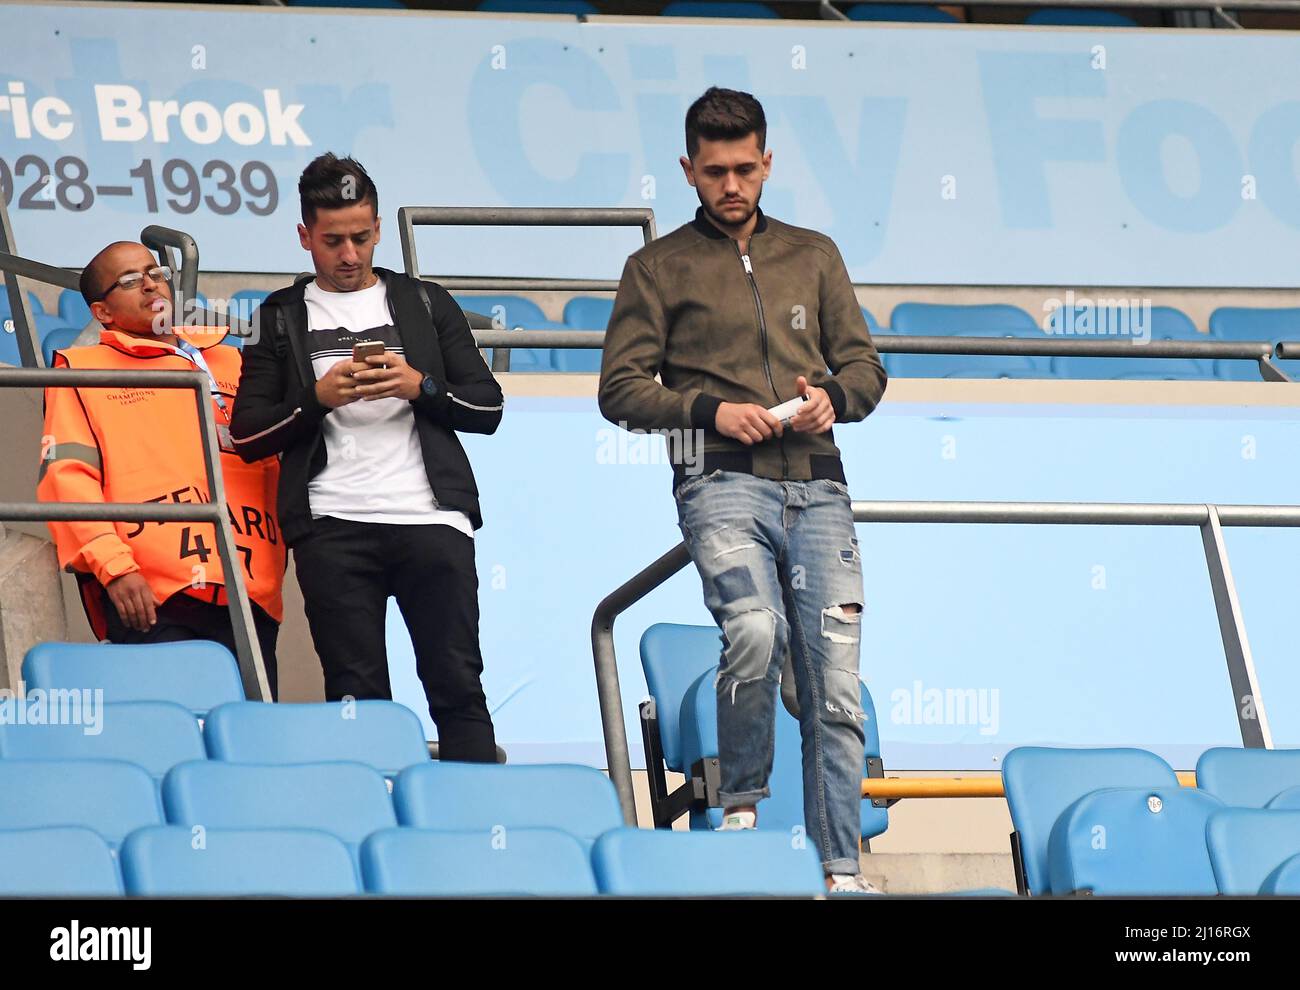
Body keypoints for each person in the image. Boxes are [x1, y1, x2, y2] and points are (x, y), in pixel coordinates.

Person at [598, 87, 888, 891]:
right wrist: (712, 411)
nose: (733, 185)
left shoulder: (816, 252)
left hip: (819, 485)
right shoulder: (656, 268)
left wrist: (836, 395)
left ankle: (840, 871)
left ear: (768, 163)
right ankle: (742, 809)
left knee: (834, 687)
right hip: (718, 478)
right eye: (716, 171)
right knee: (755, 630)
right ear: (688, 170)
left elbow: (867, 367)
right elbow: (620, 390)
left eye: (746, 168)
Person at [229, 153, 502, 762]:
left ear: (378, 228)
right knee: (356, 698)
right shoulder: (277, 315)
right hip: (332, 525)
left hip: (432, 519)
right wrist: (314, 401)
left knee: (458, 686)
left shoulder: (427, 301)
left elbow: (488, 409)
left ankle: (482, 825)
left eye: (360, 236)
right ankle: (374, 838)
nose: (349, 254)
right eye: (332, 241)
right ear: (304, 237)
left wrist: (421, 386)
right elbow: (244, 435)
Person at [38, 241, 285, 694]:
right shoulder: (81, 370)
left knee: (249, 741)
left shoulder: (235, 360)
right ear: (103, 311)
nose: (150, 283)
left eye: (155, 272)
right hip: (151, 594)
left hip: (248, 587)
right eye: (130, 280)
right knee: (171, 735)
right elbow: (67, 478)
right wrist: (114, 567)